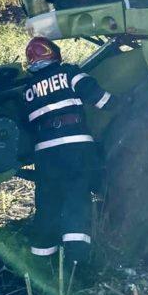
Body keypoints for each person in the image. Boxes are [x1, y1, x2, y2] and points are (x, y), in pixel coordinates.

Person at [22, 36, 115, 277]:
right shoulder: (69, 73)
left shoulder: (27, 90)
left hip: (45, 154)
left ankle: (41, 265)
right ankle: (77, 266)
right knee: (76, 202)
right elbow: (99, 99)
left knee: (47, 206)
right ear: (55, 54)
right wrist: (124, 103)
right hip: (75, 148)